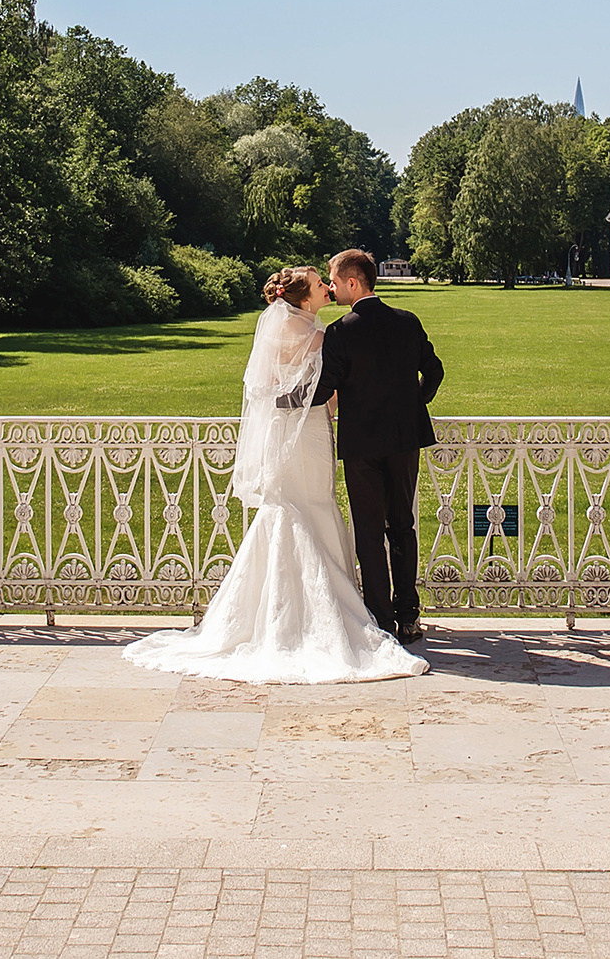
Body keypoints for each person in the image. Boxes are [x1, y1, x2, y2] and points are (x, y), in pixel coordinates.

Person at [122, 267, 426, 683]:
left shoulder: (302, 333)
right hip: (313, 434)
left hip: (283, 433)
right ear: (304, 298)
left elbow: (274, 389)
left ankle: (286, 613)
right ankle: (369, 614)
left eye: (329, 281)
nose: (327, 288)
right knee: (329, 510)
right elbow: (328, 393)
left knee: (293, 509)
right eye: (321, 284)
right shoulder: (323, 336)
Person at [315, 247, 444, 645]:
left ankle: (380, 620)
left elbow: (323, 388)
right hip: (405, 439)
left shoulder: (340, 332)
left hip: (361, 444)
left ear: (353, 282)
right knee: (402, 526)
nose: (332, 288)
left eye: (334, 281)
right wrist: (413, 402)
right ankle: (409, 617)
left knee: (369, 532)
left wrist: (286, 400)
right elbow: (434, 371)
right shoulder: (407, 322)